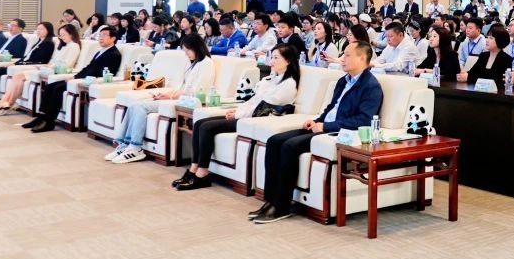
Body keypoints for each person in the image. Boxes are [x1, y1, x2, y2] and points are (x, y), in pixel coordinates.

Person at [252, 42, 383, 224]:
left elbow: (363, 120)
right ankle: (271, 200)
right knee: (274, 141)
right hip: (323, 126)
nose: (342, 59)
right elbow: (331, 108)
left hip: (336, 132)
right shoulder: (343, 80)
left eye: (347, 55)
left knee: (290, 146)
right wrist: (317, 121)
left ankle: (282, 206)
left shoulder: (370, 86)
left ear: (362, 58)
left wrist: (325, 126)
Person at [175, 45, 301, 191]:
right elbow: (254, 101)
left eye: (276, 58)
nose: (271, 61)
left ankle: (202, 174)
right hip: (246, 115)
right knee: (199, 123)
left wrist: (237, 115)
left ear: (288, 61)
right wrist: (237, 110)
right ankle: (193, 169)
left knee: (206, 127)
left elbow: (263, 108)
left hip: (256, 119)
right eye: (271, 57)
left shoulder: (288, 84)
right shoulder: (272, 78)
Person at [107, 34, 215, 164]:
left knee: (141, 107)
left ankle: (135, 147)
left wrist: (170, 96)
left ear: (197, 47)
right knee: (134, 105)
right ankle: (123, 144)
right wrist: (166, 95)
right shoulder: (194, 63)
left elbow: (196, 92)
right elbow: (182, 87)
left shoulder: (206, 64)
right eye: (185, 50)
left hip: (189, 102)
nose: (186, 54)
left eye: (188, 50)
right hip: (179, 98)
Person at [25, 27, 122, 132]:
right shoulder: (100, 51)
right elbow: (88, 67)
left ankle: (49, 122)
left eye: (104, 35)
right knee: (50, 87)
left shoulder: (114, 54)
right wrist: (75, 76)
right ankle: (41, 117)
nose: (101, 38)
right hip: (81, 77)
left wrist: (78, 79)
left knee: (58, 89)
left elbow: (102, 73)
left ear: (113, 38)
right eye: (100, 35)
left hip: (90, 81)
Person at [0, 23, 82, 114]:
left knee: (19, 76)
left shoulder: (74, 46)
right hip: (49, 68)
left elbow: (68, 65)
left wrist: (49, 66)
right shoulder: (64, 45)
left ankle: (8, 102)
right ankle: (6, 102)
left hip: (55, 71)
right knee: (17, 76)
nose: (61, 37)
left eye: (63, 35)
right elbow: (54, 61)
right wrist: (48, 66)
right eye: (60, 35)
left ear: (71, 34)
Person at [0, 21, 55, 108]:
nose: (38, 31)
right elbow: (26, 57)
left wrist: (19, 64)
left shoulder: (48, 43)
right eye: (37, 29)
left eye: (41, 29)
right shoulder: (39, 42)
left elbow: (40, 60)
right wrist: (15, 63)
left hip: (28, 66)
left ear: (48, 30)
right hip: (22, 64)